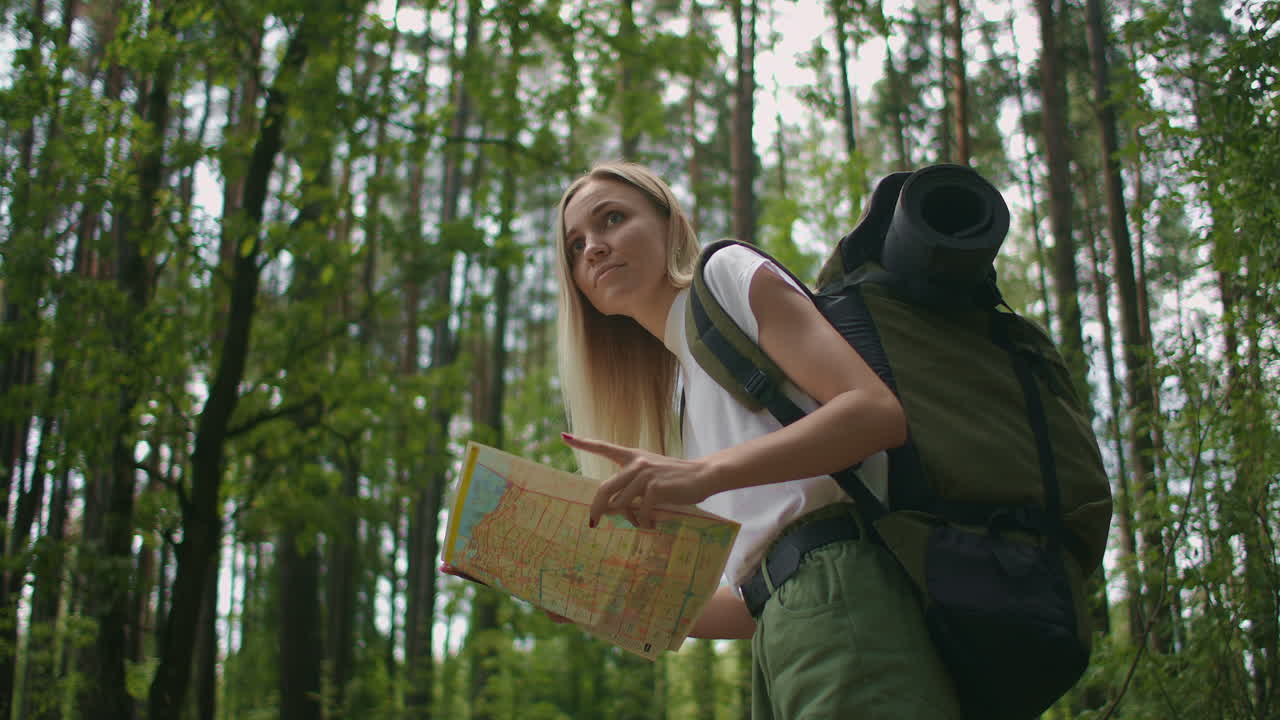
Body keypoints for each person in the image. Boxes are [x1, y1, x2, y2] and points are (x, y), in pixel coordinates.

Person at [553, 161, 962, 720]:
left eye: (613, 219)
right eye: (576, 246)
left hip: (845, 598)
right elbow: (748, 605)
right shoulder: (685, 401)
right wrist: (597, 597)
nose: (594, 248)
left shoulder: (724, 275)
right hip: (783, 637)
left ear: (672, 224)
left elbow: (874, 413)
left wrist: (705, 475)